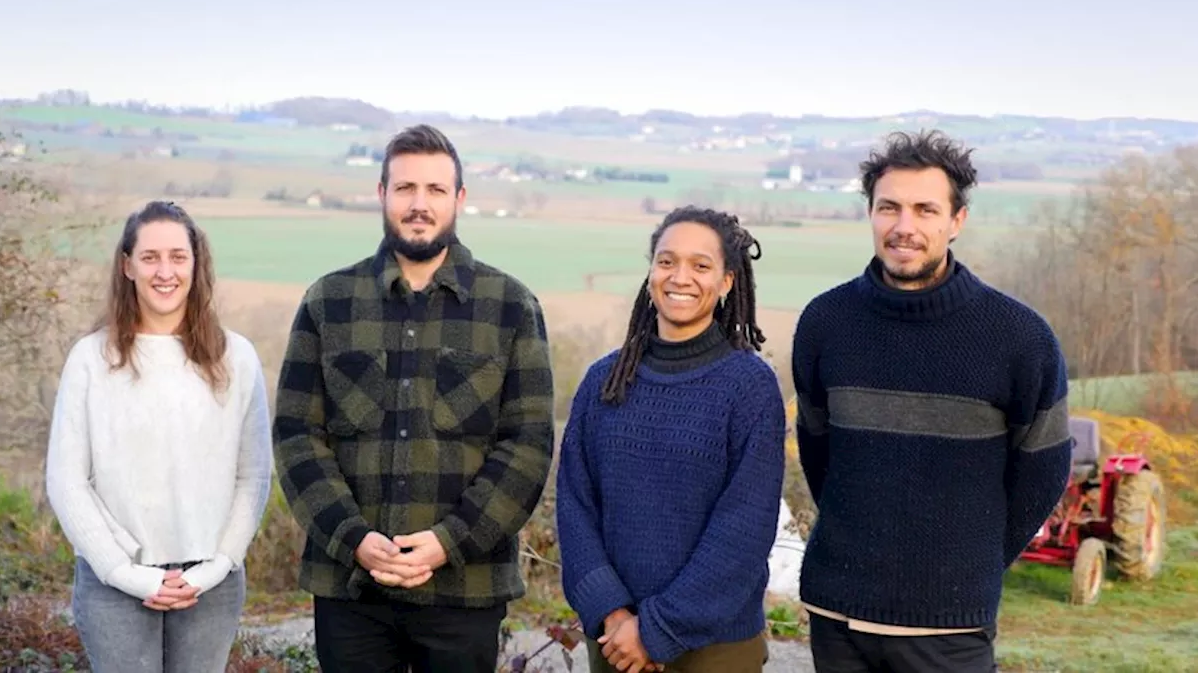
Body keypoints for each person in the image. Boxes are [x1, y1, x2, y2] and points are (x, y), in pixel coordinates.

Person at [271, 123, 556, 673]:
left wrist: (449, 541)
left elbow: (527, 447)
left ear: (459, 199)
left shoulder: (511, 307)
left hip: (464, 588)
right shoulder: (328, 303)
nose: (419, 204)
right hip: (351, 588)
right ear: (381, 194)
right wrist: (354, 538)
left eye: (434, 190)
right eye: (405, 189)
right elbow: (297, 436)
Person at [790, 130, 1072, 673]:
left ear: (956, 221)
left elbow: (1041, 476)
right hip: (836, 615)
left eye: (925, 209)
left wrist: (970, 566)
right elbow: (819, 453)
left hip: (949, 625)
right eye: (888, 207)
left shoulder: (1019, 338)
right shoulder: (825, 324)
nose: (904, 227)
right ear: (869, 213)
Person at [45, 200, 273, 673]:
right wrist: (127, 574)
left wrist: (216, 567)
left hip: (211, 585)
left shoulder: (238, 358)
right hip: (114, 583)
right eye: (150, 257)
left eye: (177, 256)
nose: (164, 271)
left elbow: (254, 475)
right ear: (127, 265)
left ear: (196, 262)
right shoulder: (91, 360)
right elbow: (67, 481)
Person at [556, 206, 787, 673]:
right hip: (614, 643)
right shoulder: (605, 381)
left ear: (726, 281)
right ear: (651, 270)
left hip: (714, 648)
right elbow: (575, 508)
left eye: (701, 265)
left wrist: (655, 630)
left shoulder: (749, 387)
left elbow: (743, 532)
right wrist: (615, 615)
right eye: (666, 261)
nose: (680, 277)